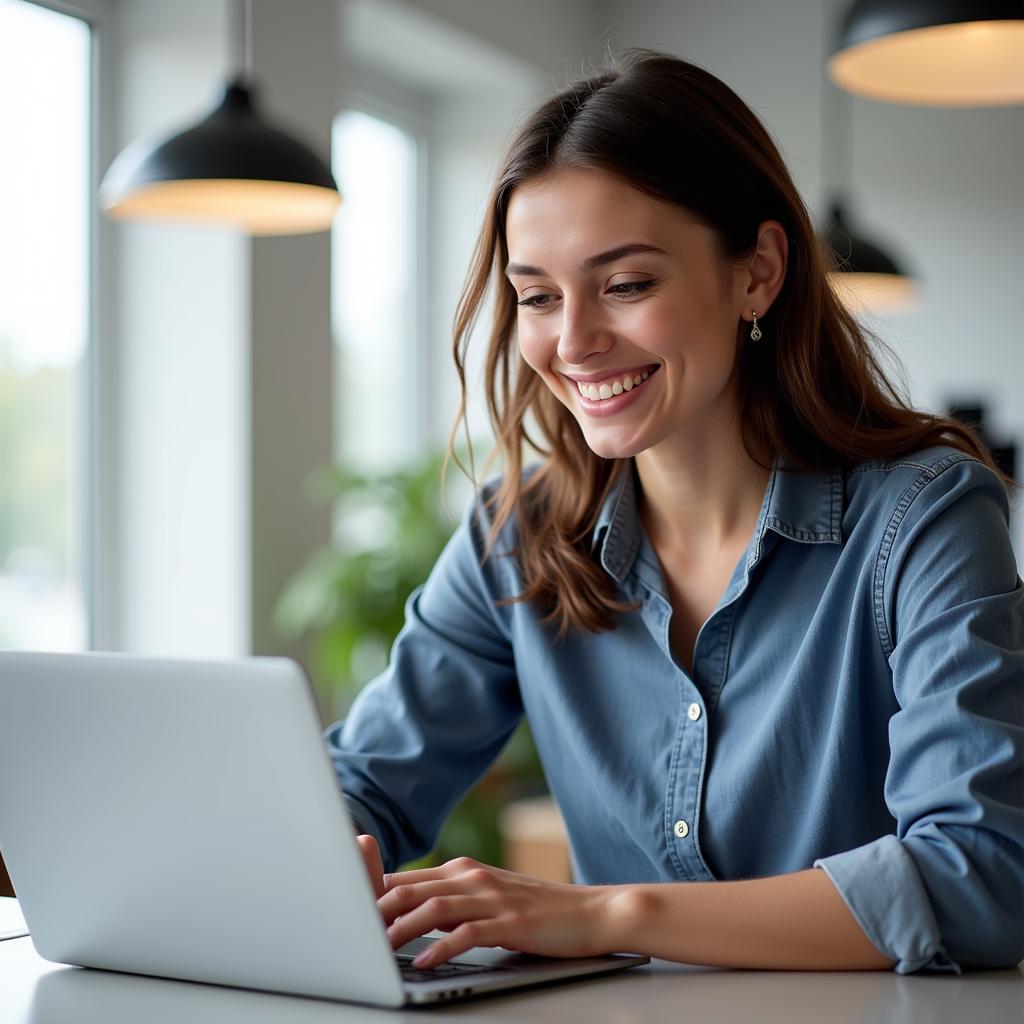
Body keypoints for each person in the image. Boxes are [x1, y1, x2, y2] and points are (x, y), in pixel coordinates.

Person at [324, 49, 1023, 975]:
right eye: (536, 296)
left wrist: (607, 913)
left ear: (758, 273)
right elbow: (362, 784)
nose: (573, 342)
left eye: (626, 284)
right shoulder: (519, 536)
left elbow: (980, 879)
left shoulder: (926, 516)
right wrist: (309, 854)